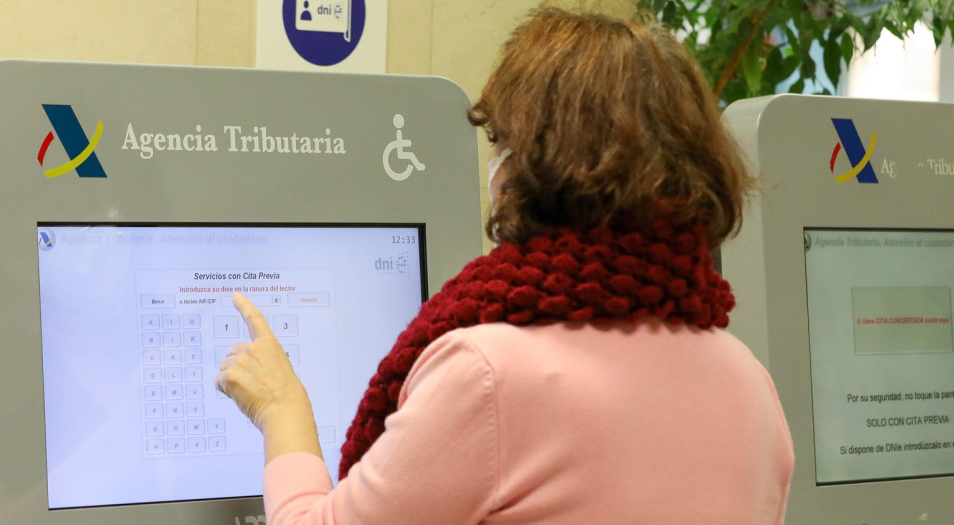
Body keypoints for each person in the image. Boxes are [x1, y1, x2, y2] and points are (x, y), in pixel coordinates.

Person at [217, 8, 794, 524]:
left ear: (538, 161)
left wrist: (281, 410)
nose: (493, 161)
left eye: (500, 139)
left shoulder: (487, 375)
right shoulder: (747, 381)